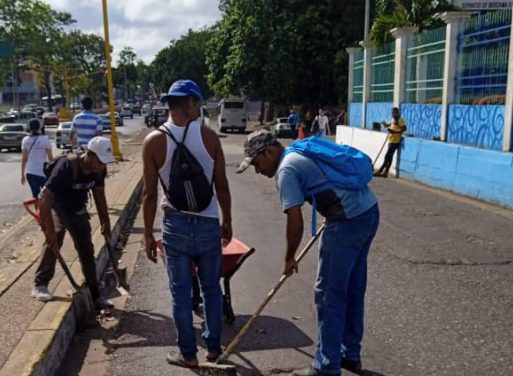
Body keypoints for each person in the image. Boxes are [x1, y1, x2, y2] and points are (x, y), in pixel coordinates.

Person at [236, 130, 379, 376]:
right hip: (368, 212)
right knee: (353, 288)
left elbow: (295, 221)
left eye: (256, 163)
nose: (257, 170)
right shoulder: (298, 150)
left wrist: (289, 258)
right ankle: (349, 354)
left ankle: (326, 366)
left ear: (269, 152)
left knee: (329, 295)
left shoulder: (286, 170)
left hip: (346, 221)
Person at [141, 79, 232, 368]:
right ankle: (214, 349)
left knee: (180, 292)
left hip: (175, 226)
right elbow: (222, 186)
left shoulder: (153, 141)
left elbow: (149, 194)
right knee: (211, 288)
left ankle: (188, 354)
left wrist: (146, 235)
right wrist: (226, 221)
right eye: (198, 102)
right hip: (207, 223)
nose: (199, 107)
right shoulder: (210, 137)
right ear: (189, 103)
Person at [31, 136, 116, 310]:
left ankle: (95, 294)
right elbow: (44, 199)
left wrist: (105, 221)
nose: (102, 165)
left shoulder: (99, 170)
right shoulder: (67, 166)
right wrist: (49, 230)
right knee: (55, 238)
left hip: (78, 207)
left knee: (87, 249)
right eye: (100, 161)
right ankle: (40, 283)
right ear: (90, 155)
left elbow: (99, 195)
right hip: (57, 206)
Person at [21, 119, 53, 198]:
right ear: (39, 127)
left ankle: (37, 209)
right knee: (47, 196)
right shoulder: (45, 139)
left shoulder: (25, 140)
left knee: (36, 197)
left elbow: (24, 159)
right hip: (43, 172)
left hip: (30, 172)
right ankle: (45, 210)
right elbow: (50, 158)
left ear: (29, 128)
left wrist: (22, 175)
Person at [374, 107, 406, 178]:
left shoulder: (400, 120)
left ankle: (381, 171)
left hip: (395, 141)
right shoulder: (392, 120)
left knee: (387, 156)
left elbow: (404, 128)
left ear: (397, 113)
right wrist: (384, 123)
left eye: (394, 112)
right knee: (389, 157)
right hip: (391, 140)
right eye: (392, 112)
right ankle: (385, 172)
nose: (393, 114)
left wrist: (395, 132)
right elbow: (388, 125)